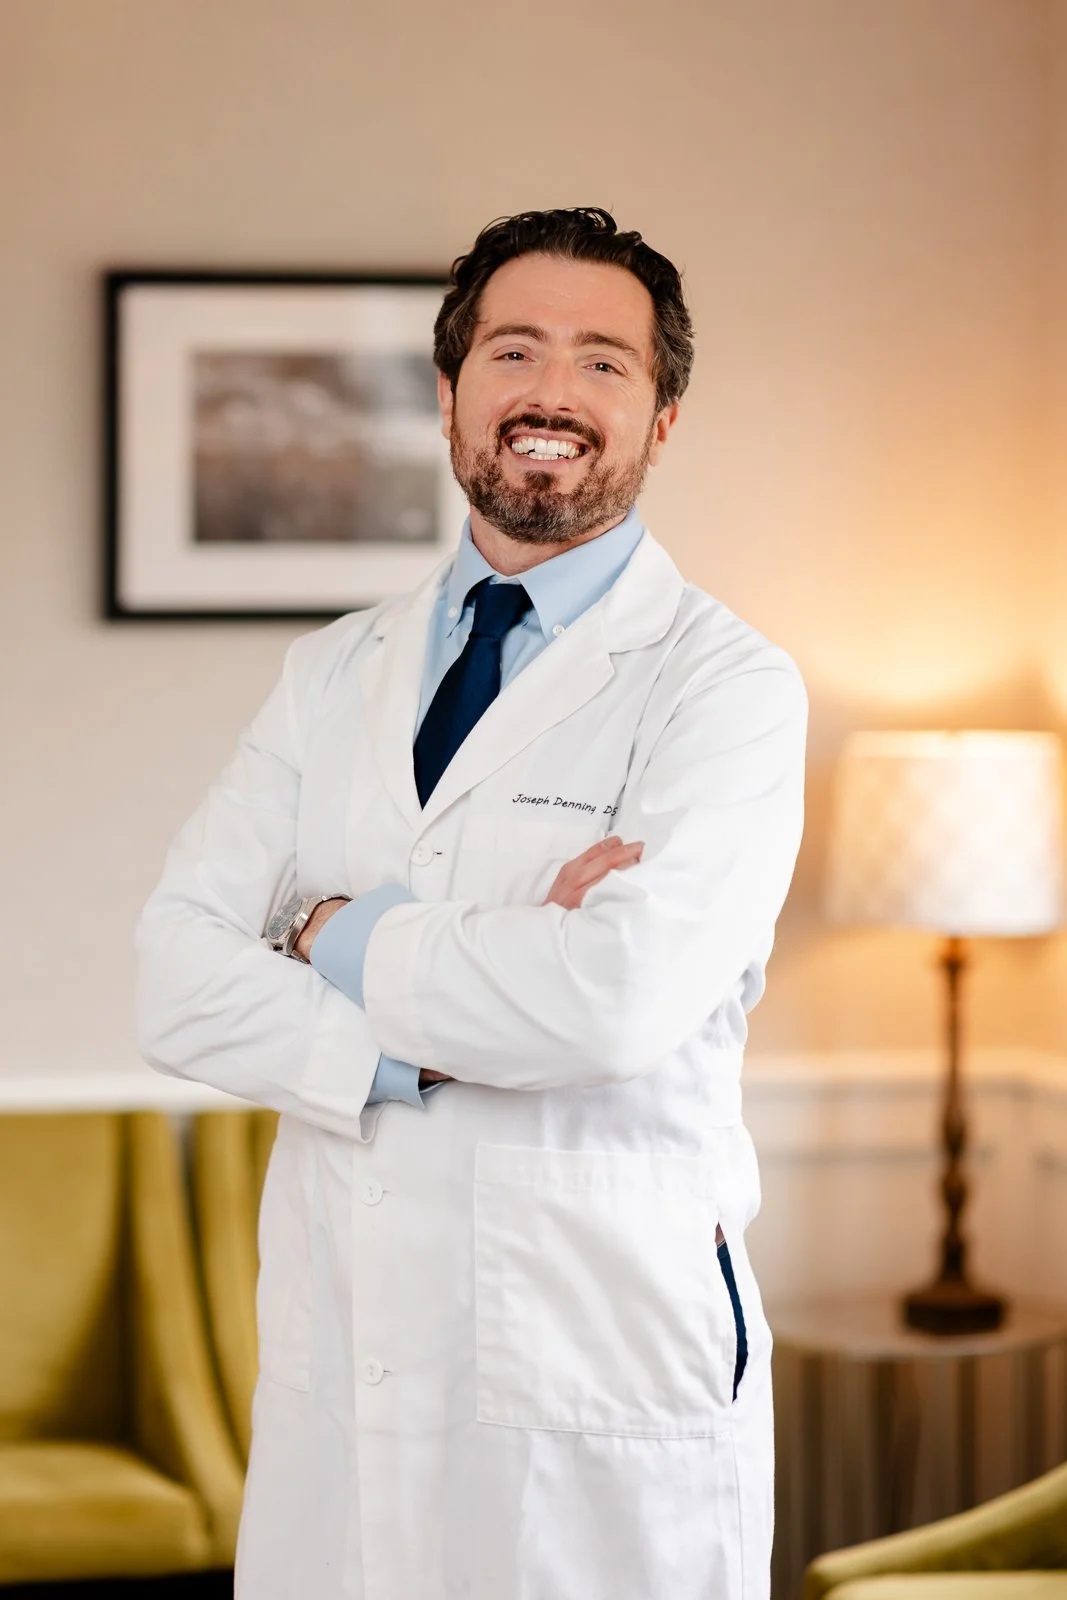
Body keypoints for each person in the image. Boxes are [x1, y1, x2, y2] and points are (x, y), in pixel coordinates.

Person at [135, 205, 808, 1600]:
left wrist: (333, 935)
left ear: (660, 417)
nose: (552, 393)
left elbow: (612, 1002)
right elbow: (173, 975)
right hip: (345, 1363)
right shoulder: (333, 674)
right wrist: (410, 1048)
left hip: (592, 1378)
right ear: (450, 397)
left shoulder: (723, 688)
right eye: (513, 351)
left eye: (603, 363)